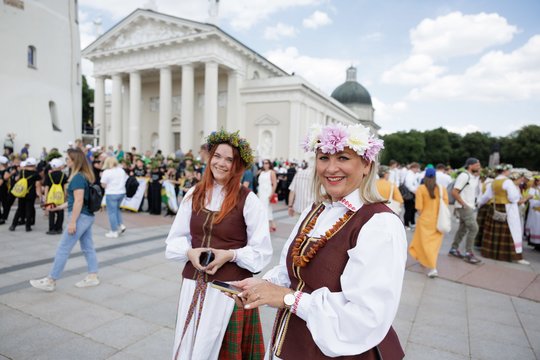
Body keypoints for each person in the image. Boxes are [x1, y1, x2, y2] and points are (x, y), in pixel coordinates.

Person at [233, 123, 406, 359]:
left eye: (343, 158)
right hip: (293, 343)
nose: (331, 168)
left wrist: (287, 298)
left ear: (366, 165)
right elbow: (289, 271)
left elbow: (367, 315)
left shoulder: (380, 224)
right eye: (323, 157)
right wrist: (261, 285)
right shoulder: (316, 210)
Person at [165, 130, 272, 359]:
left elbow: (262, 252)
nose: (221, 163)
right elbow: (175, 238)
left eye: (229, 159)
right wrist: (189, 252)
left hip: (226, 292)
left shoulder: (248, 201)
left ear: (237, 165)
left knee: (219, 350)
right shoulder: (195, 193)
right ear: (209, 157)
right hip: (193, 286)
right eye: (217, 156)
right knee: (190, 346)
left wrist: (230, 255)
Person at [29, 148, 100, 291]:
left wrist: (72, 222)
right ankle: (93, 276)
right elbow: (75, 201)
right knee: (87, 248)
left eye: (68, 159)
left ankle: (51, 280)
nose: (66, 161)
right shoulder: (83, 176)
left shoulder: (78, 177)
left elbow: (78, 201)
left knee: (63, 248)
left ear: (75, 161)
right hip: (87, 216)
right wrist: (57, 208)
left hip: (81, 217)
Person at [478, 164, 529, 264]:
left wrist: (479, 204)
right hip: (507, 208)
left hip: (495, 208)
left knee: (495, 230)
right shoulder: (508, 182)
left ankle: (491, 252)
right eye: (509, 171)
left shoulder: (494, 181)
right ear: (505, 171)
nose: (510, 172)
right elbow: (513, 198)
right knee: (512, 231)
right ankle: (515, 256)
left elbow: (486, 196)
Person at [408, 168, 449, 278]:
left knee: (423, 243)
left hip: (425, 221)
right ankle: (426, 262)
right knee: (433, 246)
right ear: (435, 177)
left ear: (425, 177)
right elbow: (446, 204)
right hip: (439, 222)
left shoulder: (421, 189)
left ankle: (432, 267)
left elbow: (419, 208)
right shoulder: (442, 189)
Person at [448, 158, 482, 264]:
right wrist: (464, 204)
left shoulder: (472, 177)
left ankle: (454, 249)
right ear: (470, 166)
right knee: (474, 228)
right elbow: (454, 191)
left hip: (469, 206)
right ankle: (469, 253)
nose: (479, 167)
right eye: (477, 165)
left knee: (462, 229)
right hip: (464, 207)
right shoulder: (464, 176)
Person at [9, 157, 41, 232]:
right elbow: (37, 185)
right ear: (34, 165)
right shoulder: (36, 174)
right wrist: (40, 195)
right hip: (31, 194)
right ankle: (28, 227)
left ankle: (13, 225)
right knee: (29, 209)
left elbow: (17, 179)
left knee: (19, 209)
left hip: (22, 193)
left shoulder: (22, 172)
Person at [100, 156, 128, 238]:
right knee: (116, 209)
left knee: (111, 212)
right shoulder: (121, 170)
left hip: (112, 193)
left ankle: (114, 231)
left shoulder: (107, 172)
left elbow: (103, 185)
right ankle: (121, 225)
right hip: (121, 192)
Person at [43, 158, 68, 235]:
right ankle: (59, 228)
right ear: (60, 166)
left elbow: (46, 188)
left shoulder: (49, 175)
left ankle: (52, 229)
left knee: (51, 213)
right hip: (60, 197)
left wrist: (45, 198)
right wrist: (64, 197)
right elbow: (65, 188)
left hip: (51, 197)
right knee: (60, 212)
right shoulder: (63, 175)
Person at [258, 158, 278, 232]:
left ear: (269, 164)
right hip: (261, 192)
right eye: (264, 163)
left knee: (266, 208)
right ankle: (272, 225)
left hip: (267, 192)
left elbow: (275, 183)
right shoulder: (261, 172)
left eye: (267, 163)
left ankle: (266, 226)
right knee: (265, 208)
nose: (265, 164)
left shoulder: (271, 172)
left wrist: (271, 194)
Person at [402, 162, 420, 230]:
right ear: (413, 168)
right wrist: (416, 192)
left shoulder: (412, 174)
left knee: (413, 209)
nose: (418, 170)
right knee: (408, 210)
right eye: (417, 168)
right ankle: (406, 224)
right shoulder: (409, 174)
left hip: (412, 194)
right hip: (409, 195)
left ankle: (412, 222)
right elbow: (409, 185)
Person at [525, 176, 540, 250]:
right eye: (538, 180)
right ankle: (535, 244)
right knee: (535, 227)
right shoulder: (532, 189)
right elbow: (531, 201)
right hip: (535, 211)